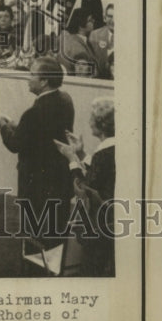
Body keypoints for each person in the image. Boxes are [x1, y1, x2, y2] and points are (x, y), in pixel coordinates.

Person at [0, 56, 75, 256]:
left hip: (37, 183)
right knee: (56, 231)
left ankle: (35, 271)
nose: (28, 79)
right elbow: (41, 134)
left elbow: (16, 144)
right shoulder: (65, 100)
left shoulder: (34, 113)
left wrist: (1, 125)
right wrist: (12, 124)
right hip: (60, 178)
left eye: (32, 75)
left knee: (36, 234)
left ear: (44, 81)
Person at [54, 97, 115, 276]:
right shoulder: (112, 149)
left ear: (100, 124)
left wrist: (72, 159)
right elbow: (100, 172)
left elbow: (84, 188)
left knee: (92, 267)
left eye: (91, 118)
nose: (88, 122)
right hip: (117, 217)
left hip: (101, 221)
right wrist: (81, 152)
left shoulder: (103, 153)